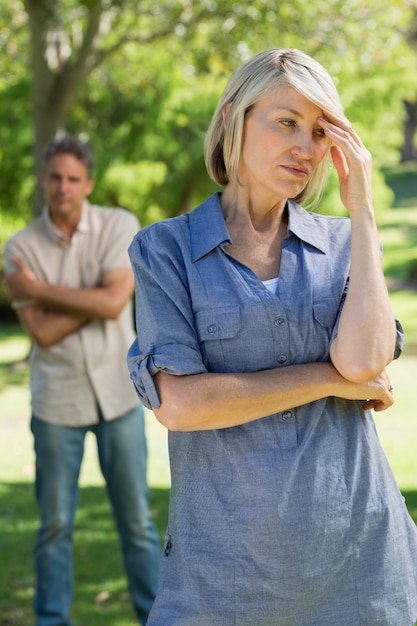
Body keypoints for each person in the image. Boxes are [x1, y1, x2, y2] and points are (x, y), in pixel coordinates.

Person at [126, 49, 417, 625]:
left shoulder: (343, 246)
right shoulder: (166, 251)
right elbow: (181, 405)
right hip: (220, 583)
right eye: (286, 123)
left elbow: (364, 360)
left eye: (318, 131)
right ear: (234, 118)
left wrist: (362, 210)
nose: (304, 148)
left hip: (362, 571)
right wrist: (328, 381)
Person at [4, 134, 160, 626]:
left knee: (136, 524)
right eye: (55, 177)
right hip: (56, 404)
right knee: (54, 526)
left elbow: (115, 304)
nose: (63, 187)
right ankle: (52, 621)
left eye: (73, 179)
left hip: (119, 396)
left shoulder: (120, 225)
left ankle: (156, 617)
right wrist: (94, 294)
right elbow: (44, 332)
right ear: (44, 180)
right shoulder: (19, 247)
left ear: (88, 183)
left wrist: (41, 290)